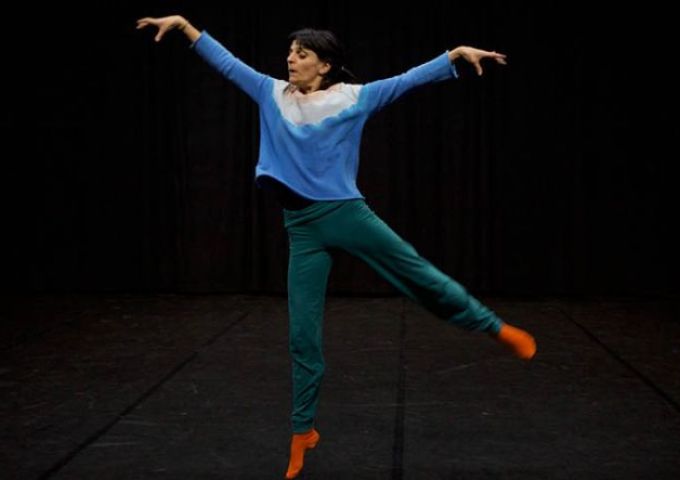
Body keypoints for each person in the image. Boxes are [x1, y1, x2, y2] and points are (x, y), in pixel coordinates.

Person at [137, 14, 537, 479]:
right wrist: (186, 27)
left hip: (345, 214)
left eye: (302, 54)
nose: (291, 59)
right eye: (290, 52)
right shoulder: (271, 94)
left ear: (324, 65)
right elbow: (227, 64)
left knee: (418, 276)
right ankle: (302, 431)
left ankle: (493, 327)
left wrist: (453, 56)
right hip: (301, 227)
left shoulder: (353, 97)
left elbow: (405, 81)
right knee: (301, 335)